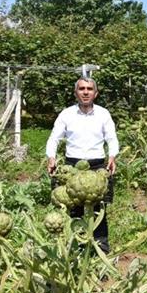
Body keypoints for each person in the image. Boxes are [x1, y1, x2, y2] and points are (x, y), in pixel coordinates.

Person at [46, 77, 119, 252]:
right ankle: (74, 250)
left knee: (99, 212)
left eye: (89, 89)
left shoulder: (103, 114)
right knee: (72, 211)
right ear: (75, 93)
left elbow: (112, 138)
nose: (85, 92)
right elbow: (54, 138)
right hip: (72, 167)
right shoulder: (66, 114)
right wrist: (51, 158)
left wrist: (113, 156)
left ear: (96, 93)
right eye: (81, 89)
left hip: (97, 167)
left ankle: (100, 250)